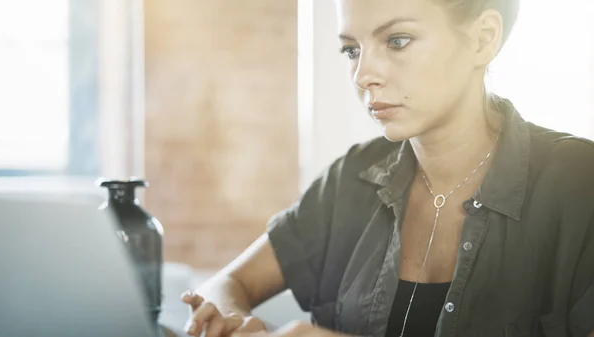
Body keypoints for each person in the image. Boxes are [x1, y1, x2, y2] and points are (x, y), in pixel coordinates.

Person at [180, 0, 594, 336]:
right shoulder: (351, 179)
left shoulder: (579, 182)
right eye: (351, 50)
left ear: (483, 39)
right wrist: (230, 319)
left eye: (397, 41)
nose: (363, 75)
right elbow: (224, 285)